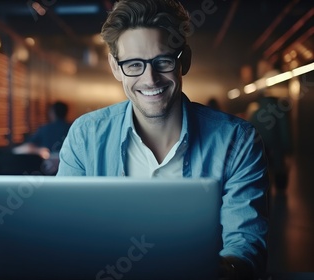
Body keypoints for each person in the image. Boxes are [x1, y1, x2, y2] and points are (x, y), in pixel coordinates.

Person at [56, 1, 269, 279]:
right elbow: (63, 232)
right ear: (115, 67)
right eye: (134, 64)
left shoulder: (237, 142)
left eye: (163, 61)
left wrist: (221, 270)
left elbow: (246, 244)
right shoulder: (85, 136)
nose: (150, 79)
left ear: (185, 60)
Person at [13, 101, 72, 174]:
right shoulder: (73, 129)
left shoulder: (45, 129)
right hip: (69, 171)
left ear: (52, 113)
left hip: (48, 170)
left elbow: (24, 148)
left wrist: (38, 150)